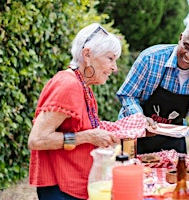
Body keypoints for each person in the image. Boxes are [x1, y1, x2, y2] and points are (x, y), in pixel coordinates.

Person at [28, 23, 122, 200]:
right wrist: (88, 137)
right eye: (110, 59)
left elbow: (78, 128)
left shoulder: (83, 85)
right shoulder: (68, 84)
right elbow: (37, 140)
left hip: (72, 182)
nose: (114, 68)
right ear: (87, 55)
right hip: (59, 189)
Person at [116, 20, 189, 154]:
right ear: (180, 38)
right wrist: (140, 119)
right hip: (135, 135)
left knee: (179, 175)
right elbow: (128, 94)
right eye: (187, 46)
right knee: (131, 173)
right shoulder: (151, 58)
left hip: (173, 139)